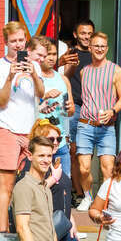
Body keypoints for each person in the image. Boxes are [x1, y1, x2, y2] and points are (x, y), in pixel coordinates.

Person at [16, 119, 81, 241]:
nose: (56, 143)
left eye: (58, 139)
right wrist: (53, 179)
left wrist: (72, 222)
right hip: (41, 230)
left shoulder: (54, 163)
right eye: (52, 138)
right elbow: (32, 193)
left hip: (58, 226)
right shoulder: (34, 167)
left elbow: (64, 196)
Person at [0, 21, 45, 234]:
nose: (18, 45)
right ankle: (3, 235)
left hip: (29, 132)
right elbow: (1, 101)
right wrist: (10, 76)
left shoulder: (35, 65)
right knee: (7, 184)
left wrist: (33, 74)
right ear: (6, 43)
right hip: (6, 130)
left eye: (21, 40)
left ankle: (28, 230)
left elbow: (41, 93)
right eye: (13, 42)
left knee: (32, 184)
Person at [75, 32, 121, 211]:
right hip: (85, 125)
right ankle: (87, 197)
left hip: (106, 128)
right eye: (96, 45)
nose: (99, 49)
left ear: (107, 48)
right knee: (84, 168)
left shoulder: (116, 70)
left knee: (107, 169)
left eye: (102, 46)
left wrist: (113, 110)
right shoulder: (84, 71)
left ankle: (105, 203)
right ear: (89, 47)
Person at [59, 19, 94, 201]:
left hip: (93, 109)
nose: (86, 37)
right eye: (83, 33)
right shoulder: (70, 54)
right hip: (75, 106)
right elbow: (63, 77)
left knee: (85, 153)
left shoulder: (97, 54)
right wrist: (66, 62)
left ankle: (85, 192)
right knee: (72, 149)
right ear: (75, 35)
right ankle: (77, 192)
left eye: (89, 33)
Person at [36, 39, 75, 179]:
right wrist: (45, 96)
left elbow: (70, 112)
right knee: (41, 184)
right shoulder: (34, 78)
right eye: (48, 54)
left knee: (64, 182)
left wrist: (69, 108)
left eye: (54, 54)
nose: (52, 58)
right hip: (40, 141)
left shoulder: (63, 79)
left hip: (60, 142)